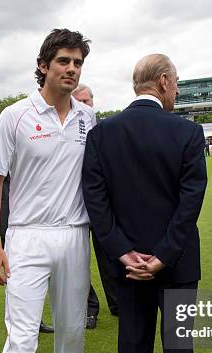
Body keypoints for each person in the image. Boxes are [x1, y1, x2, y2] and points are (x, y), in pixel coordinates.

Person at [82, 53, 210, 353]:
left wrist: (124, 254)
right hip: (177, 264)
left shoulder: (103, 134)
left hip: (127, 267)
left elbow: (96, 204)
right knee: (178, 348)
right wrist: (163, 256)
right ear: (165, 81)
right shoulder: (187, 132)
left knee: (132, 345)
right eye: (177, 83)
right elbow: (190, 203)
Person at [0, 28, 95, 353]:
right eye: (64, 61)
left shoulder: (89, 118)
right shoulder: (14, 116)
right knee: (21, 340)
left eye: (77, 62)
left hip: (75, 235)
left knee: (71, 328)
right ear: (44, 65)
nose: (71, 69)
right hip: (25, 237)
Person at [72, 83, 119, 328]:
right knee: (78, 261)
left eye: (86, 101)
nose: (83, 106)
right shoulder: (67, 132)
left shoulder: (106, 132)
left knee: (110, 255)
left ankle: (117, 302)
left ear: (93, 103)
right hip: (73, 206)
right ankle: (90, 308)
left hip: (102, 205)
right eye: (78, 102)